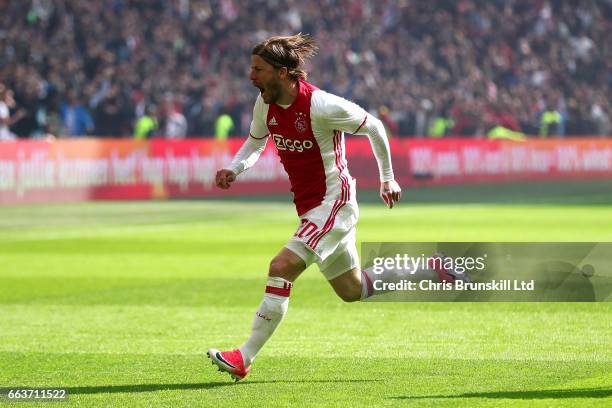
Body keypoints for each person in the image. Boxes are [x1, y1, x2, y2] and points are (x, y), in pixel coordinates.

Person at [207, 34, 402, 381]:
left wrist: (387, 177)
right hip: (312, 207)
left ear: (282, 73)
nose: (251, 76)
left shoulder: (320, 105)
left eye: (258, 69)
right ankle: (429, 269)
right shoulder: (264, 104)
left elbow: (374, 125)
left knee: (281, 266)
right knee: (352, 290)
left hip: (334, 202)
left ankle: (244, 356)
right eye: (251, 68)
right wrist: (234, 168)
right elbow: (255, 141)